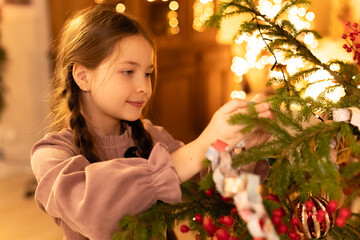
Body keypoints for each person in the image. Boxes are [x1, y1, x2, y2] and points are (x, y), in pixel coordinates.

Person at [30, 3, 273, 240]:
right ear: (83, 77)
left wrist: (244, 150)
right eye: (128, 72)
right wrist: (202, 145)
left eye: (147, 73)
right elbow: (96, 216)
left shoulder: (154, 138)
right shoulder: (51, 155)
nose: (143, 87)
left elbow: (223, 196)